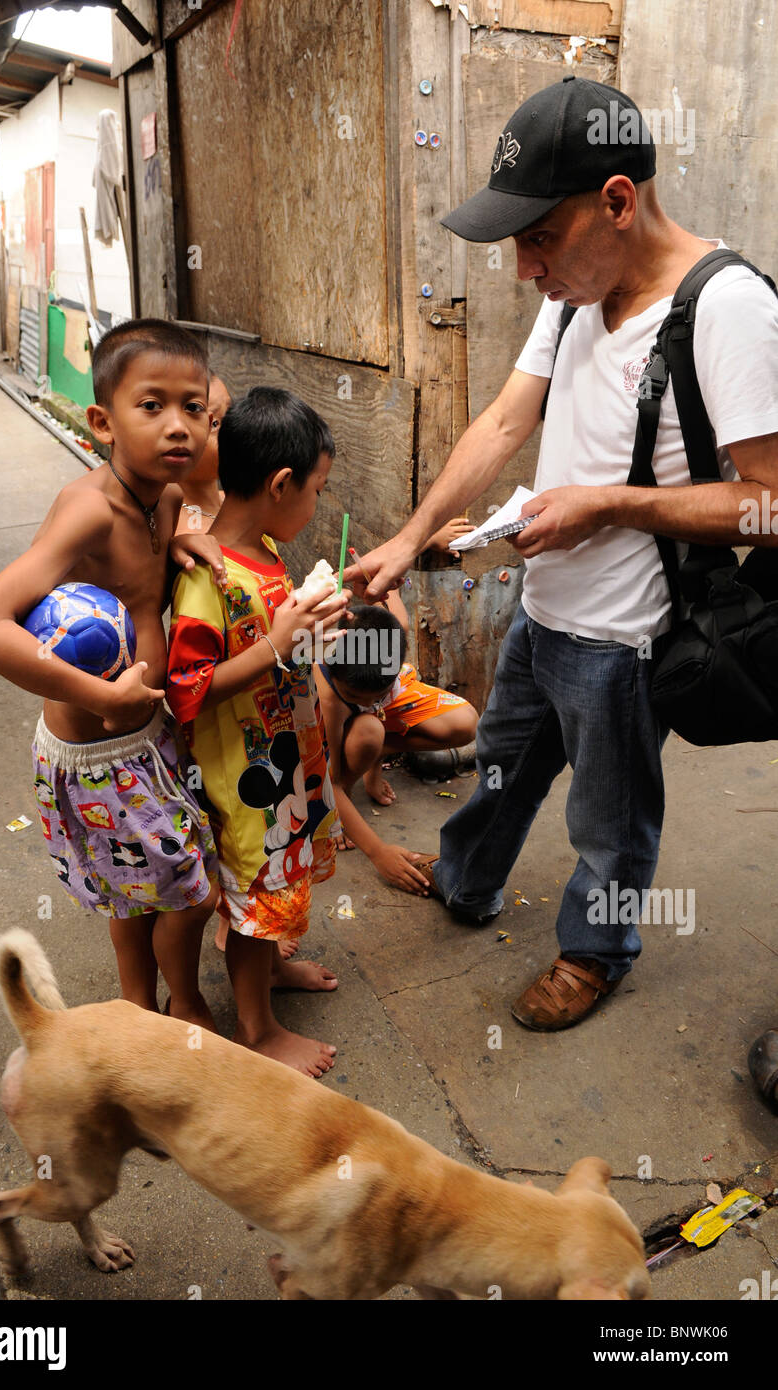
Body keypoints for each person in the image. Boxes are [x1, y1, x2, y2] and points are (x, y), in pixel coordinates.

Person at [346, 75, 778, 1031]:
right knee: (499, 766)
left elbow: (768, 506)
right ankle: (465, 880)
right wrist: (411, 535)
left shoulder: (725, 308)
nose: (523, 270)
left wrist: (608, 506)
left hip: (626, 641)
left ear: (617, 201)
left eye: (538, 238)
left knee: (610, 824)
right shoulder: (573, 294)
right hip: (541, 614)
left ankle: (594, 952)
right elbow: (507, 421)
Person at [0, 318, 227, 1029]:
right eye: (152, 406)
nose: (179, 427)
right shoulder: (86, 512)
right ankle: (185, 1004)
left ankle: (136, 1012)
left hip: (146, 739)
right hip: (96, 756)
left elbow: (149, 575)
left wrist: (187, 540)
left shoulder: (165, 501)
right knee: (192, 894)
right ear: (102, 422)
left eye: (194, 408)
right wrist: (101, 693)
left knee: (134, 891)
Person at [166, 386, 350, 1077]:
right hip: (245, 782)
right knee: (253, 899)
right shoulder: (208, 578)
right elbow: (186, 692)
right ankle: (258, 1029)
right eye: (316, 490)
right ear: (279, 485)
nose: (318, 505)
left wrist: (309, 632)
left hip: (287, 757)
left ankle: (270, 968)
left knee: (277, 886)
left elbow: (277, 644)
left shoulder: (268, 551)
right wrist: (276, 645)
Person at [316, 600, 477, 895]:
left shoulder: (390, 640)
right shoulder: (330, 696)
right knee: (369, 730)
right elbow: (331, 782)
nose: (366, 702)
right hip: (347, 721)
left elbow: (396, 608)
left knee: (466, 724)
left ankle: (379, 753)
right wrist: (378, 852)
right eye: (355, 694)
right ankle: (341, 810)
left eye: (376, 694)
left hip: (381, 700)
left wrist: (388, 586)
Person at [177, 372, 230, 535]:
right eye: (214, 424)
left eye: (231, 413)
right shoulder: (180, 531)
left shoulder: (233, 501)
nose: (232, 430)